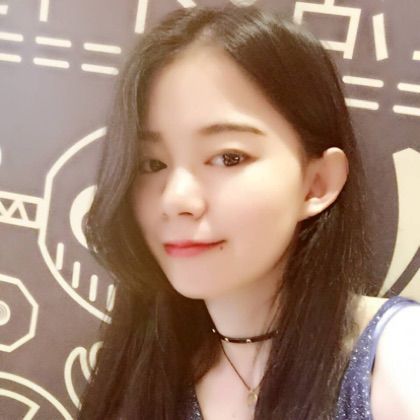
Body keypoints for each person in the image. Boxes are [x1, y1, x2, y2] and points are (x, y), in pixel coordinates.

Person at [78, 5, 420, 420]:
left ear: (317, 183)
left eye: (228, 157)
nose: (175, 199)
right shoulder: (145, 368)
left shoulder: (398, 357)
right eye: (151, 164)